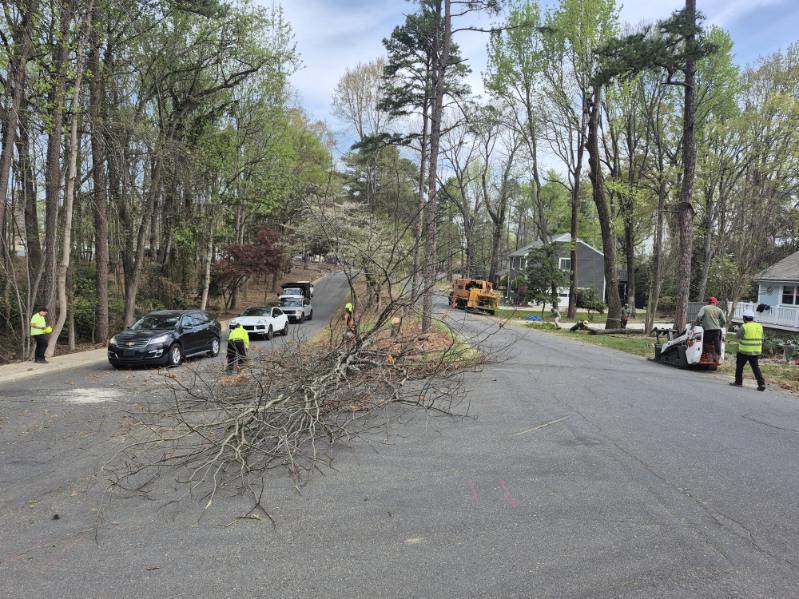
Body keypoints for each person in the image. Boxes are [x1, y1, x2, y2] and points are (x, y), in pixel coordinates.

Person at [731, 309, 766, 391]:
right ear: (752, 318)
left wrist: (737, 330)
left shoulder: (744, 326)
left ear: (744, 318)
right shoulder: (759, 326)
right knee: (756, 368)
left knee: (739, 366)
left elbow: (737, 336)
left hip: (744, 351)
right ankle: (761, 384)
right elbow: (763, 339)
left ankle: (738, 382)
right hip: (756, 351)